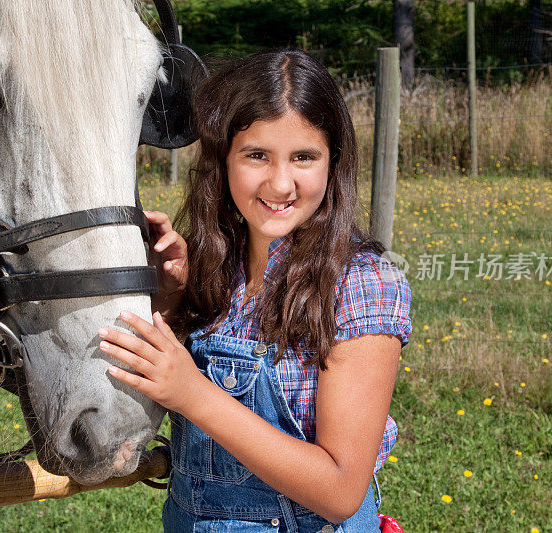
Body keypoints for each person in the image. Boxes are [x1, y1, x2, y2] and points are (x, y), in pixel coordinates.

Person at [98, 49, 412, 532]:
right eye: (257, 155)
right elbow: (137, 401)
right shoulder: (212, 266)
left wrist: (195, 395)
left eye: (304, 157)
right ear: (223, 160)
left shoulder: (359, 283)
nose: (281, 182)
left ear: (334, 162)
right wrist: (170, 295)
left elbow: (341, 491)